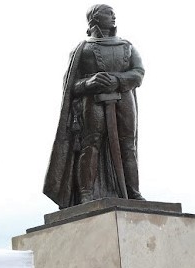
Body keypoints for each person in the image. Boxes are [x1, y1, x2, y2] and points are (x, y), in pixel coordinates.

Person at [43, 4, 145, 208]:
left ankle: (133, 192)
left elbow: (138, 73)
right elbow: (70, 85)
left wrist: (116, 80)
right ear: (95, 19)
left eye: (113, 13)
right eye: (108, 13)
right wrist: (89, 83)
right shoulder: (84, 49)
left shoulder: (127, 46)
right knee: (91, 144)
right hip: (92, 101)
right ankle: (86, 194)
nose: (113, 16)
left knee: (128, 146)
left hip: (123, 99)